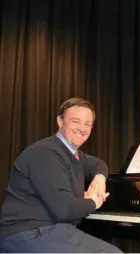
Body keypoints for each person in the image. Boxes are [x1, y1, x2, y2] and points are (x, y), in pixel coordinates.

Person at [0, 97, 122, 253]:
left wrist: (99, 179)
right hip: (28, 233)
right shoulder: (46, 153)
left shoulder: (73, 153)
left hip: (52, 229)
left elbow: (99, 164)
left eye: (87, 124)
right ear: (60, 121)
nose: (82, 128)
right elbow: (65, 210)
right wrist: (94, 201)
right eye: (75, 121)